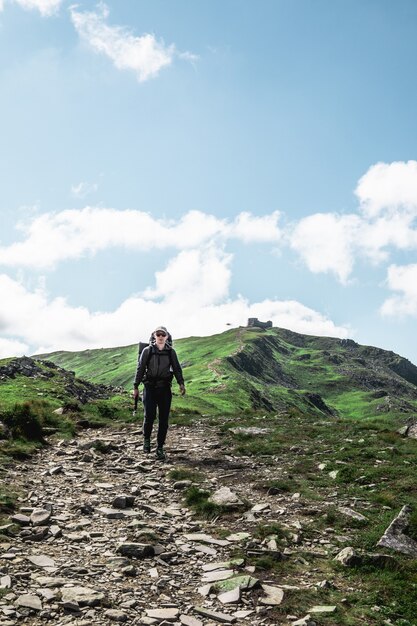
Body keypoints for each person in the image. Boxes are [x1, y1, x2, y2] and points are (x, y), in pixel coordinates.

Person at [133, 326, 185, 460]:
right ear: (154, 336)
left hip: (164, 388)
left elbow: (177, 368)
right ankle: (146, 441)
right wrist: (136, 386)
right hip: (149, 388)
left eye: (163, 335)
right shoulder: (147, 351)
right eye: (158, 334)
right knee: (149, 416)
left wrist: (181, 383)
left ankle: (160, 447)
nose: (161, 337)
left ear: (167, 337)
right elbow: (140, 368)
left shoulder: (171, 352)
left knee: (163, 419)